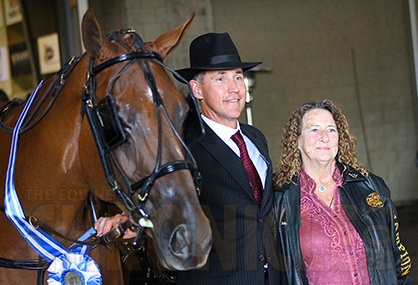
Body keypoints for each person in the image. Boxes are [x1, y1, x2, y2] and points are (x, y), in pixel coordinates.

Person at [95, 32, 281, 284]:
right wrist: (132, 219)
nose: (234, 87)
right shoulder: (184, 146)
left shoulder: (255, 138)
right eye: (220, 78)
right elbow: (163, 198)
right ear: (197, 89)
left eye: (238, 76)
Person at [273, 99, 412, 284]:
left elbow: (398, 262)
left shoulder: (371, 187)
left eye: (331, 129)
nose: (324, 136)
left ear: (340, 137)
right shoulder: (280, 199)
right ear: (296, 141)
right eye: (314, 129)